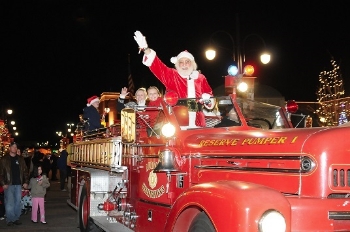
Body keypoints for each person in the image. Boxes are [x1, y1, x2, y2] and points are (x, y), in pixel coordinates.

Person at [133, 30, 215, 127]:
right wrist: (146, 49)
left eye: (187, 61)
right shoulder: (172, 75)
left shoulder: (200, 78)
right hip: (176, 123)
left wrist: (208, 99)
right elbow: (157, 65)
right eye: (181, 62)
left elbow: (210, 95)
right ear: (177, 64)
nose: (184, 64)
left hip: (198, 123)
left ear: (192, 64)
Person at [0, 142, 29, 226]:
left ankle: (16, 218)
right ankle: (10, 219)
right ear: (10, 148)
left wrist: (26, 182)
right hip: (8, 184)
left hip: (18, 184)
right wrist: (3, 183)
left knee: (18, 202)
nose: (14, 148)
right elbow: (1, 173)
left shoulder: (20, 159)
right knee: (9, 202)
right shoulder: (4, 159)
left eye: (16, 147)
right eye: (13, 147)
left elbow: (25, 171)